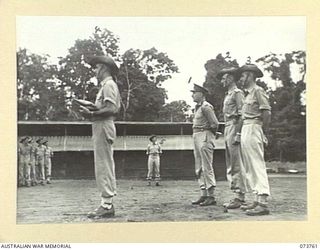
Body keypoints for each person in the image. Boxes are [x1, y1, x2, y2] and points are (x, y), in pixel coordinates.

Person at [79, 55, 121, 218]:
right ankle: (106, 203)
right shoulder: (106, 86)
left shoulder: (109, 85)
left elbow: (112, 109)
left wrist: (91, 113)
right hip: (100, 126)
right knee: (102, 164)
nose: (95, 71)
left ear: (103, 68)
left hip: (104, 126)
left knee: (104, 165)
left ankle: (107, 204)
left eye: (96, 67)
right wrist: (91, 111)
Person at [237, 64, 271, 216]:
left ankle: (263, 203)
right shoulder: (247, 94)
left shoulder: (258, 91)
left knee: (257, 165)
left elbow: (266, 112)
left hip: (254, 128)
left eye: (243, 76)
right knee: (249, 166)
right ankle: (257, 199)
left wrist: (263, 132)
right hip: (246, 128)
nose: (241, 79)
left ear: (250, 75)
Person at [217, 67, 246, 209]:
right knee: (230, 163)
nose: (222, 81)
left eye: (224, 78)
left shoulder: (237, 93)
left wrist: (238, 133)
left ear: (230, 79)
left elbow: (242, 114)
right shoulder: (228, 94)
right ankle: (236, 194)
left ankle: (239, 196)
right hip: (228, 127)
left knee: (236, 163)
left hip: (235, 127)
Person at [190, 83, 219, 206]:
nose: (192, 95)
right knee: (199, 166)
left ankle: (211, 195)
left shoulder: (206, 107)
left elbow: (215, 123)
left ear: (201, 94)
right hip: (197, 135)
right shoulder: (198, 108)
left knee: (207, 166)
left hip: (204, 135)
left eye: (194, 93)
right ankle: (204, 194)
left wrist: (210, 134)